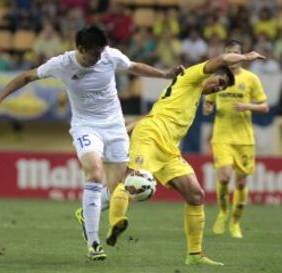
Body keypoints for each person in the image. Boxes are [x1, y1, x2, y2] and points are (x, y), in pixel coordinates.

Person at [0, 26, 184, 261]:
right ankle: (94, 243)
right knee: (95, 175)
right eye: (94, 54)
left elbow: (133, 67)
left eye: (101, 53)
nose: (99, 58)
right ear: (81, 49)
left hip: (115, 127)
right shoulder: (62, 64)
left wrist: (165, 74)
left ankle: (85, 214)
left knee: (118, 186)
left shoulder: (109, 55)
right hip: (86, 126)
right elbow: (26, 76)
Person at [106, 49, 265, 266]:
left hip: (169, 147)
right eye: (219, 81)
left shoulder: (190, 93)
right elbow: (221, 59)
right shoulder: (192, 76)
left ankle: (194, 255)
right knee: (132, 178)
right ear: (209, 72)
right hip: (151, 136)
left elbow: (155, 111)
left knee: (196, 194)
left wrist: (130, 127)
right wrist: (246, 58)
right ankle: (117, 222)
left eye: (222, 88)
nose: (218, 88)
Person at [203, 40, 269, 238]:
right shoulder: (219, 77)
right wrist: (207, 108)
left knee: (240, 183)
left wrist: (247, 106)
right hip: (222, 136)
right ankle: (223, 213)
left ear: (241, 56)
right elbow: (208, 101)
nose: (232, 56)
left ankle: (235, 223)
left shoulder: (251, 79)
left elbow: (264, 107)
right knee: (224, 177)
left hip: (244, 139)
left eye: (235, 52)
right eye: (229, 52)